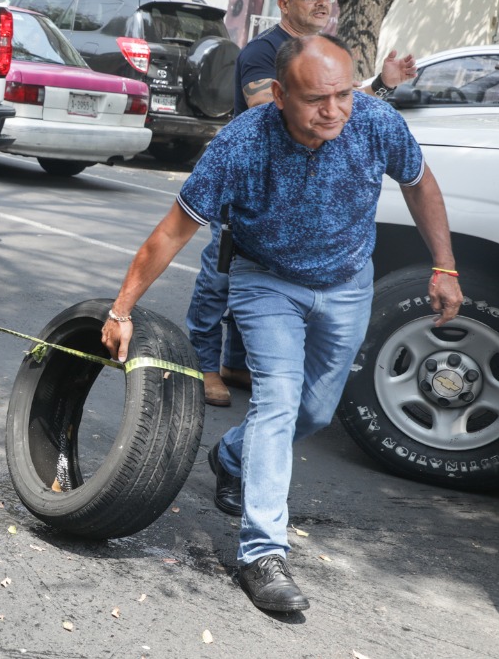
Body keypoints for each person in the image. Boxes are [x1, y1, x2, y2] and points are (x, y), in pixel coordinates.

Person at [102, 34, 461, 613]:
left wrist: (444, 265)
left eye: (343, 93)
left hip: (347, 282)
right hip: (266, 281)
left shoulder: (372, 120)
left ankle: (230, 457)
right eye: (317, 98)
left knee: (315, 411)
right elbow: (172, 231)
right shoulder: (240, 145)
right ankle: (262, 553)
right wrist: (120, 310)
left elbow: (419, 182)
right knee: (277, 401)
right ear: (278, 94)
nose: (334, 110)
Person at [192, 0, 417, 406]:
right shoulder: (264, 51)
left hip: (294, 196)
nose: (323, 2)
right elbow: (270, 110)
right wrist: (367, 91)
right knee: (221, 279)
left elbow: (342, 112)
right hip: (249, 192)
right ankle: (203, 366)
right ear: (284, 4)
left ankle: (236, 363)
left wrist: (381, 87)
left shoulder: (324, 51)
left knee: (263, 278)